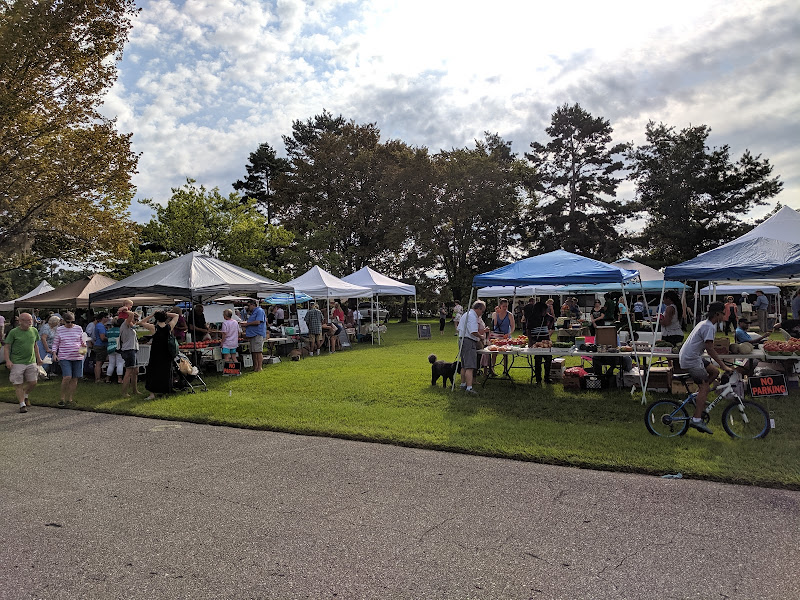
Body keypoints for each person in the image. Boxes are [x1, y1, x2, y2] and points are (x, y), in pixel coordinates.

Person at [678, 302, 733, 434]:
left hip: (691, 356)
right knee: (705, 387)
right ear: (717, 314)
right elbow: (709, 348)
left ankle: (698, 399)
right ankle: (696, 419)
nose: (725, 315)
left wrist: (719, 366)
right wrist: (723, 365)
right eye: (723, 313)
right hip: (691, 359)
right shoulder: (709, 327)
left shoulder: (704, 323)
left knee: (714, 372)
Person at [4, 312, 43, 413]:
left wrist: (39, 358)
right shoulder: (13, 332)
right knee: (18, 383)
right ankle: (22, 404)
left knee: (33, 382)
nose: (30, 322)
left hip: (31, 360)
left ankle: (25, 394)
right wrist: (8, 360)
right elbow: (7, 347)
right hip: (17, 362)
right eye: (27, 320)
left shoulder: (34, 331)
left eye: (31, 320)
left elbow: (35, 345)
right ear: (20, 321)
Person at [52, 311, 86, 408]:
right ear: (63, 321)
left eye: (72, 322)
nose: (70, 324)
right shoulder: (60, 330)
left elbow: (82, 341)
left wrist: (83, 350)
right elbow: (56, 343)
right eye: (68, 322)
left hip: (77, 356)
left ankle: (70, 399)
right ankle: (62, 398)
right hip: (64, 356)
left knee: (75, 378)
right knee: (67, 377)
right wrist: (54, 353)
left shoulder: (78, 328)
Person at [142, 311, 179, 400]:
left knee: (152, 372)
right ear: (165, 318)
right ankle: (164, 392)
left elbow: (141, 322)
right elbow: (176, 315)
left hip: (156, 353)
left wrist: (151, 315)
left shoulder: (154, 328)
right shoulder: (169, 327)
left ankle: (152, 393)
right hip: (167, 352)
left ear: (156, 318)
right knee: (165, 372)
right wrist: (166, 313)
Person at [457, 300, 488, 394]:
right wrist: (481, 336)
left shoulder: (466, 314)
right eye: (482, 311)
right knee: (470, 366)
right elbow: (473, 331)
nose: (481, 313)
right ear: (478, 309)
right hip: (468, 341)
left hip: (461, 339)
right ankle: (469, 388)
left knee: (464, 365)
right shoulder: (472, 316)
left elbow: (459, 328)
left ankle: (463, 384)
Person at [485, 298, 515, 376]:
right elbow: (494, 324)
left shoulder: (509, 314)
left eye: (506, 306)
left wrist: (510, 333)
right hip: (496, 335)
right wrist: (496, 314)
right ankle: (492, 369)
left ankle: (505, 369)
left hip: (505, 335)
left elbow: (512, 326)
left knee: (505, 353)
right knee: (494, 353)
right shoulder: (495, 314)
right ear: (500, 306)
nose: (505, 308)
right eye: (503, 306)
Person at [528, 300, 554, 384]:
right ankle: (538, 379)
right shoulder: (531, 318)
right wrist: (530, 341)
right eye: (544, 310)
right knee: (538, 360)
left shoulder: (547, 317)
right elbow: (528, 330)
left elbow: (552, 321)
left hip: (546, 341)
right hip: (536, 342)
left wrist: (549, 334)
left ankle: (547, 377)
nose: (545, 312)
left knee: (548, 359)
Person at [119, 311, 141, 397]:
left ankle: (135, 390)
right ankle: (124, 392)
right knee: (129, 371)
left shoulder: (130, 326)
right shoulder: (126, 324)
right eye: (135, 319)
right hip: (128, 350)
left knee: (135, 371)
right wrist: (125, 309)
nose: (136, 321)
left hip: (133, 349)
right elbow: (131, 314)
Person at [242, 299, 266, 371]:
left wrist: (247, 324)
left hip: (258, 333)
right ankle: (255, 367)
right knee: (253, 351)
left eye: (249, 305)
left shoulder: (260, 311)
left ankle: (259, 367)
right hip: (252, 334)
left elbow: (258, 322)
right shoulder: (253, 312)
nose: (248, 307)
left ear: (253, 305)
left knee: (258, 351)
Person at [104, 317, 124, 383]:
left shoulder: (109, 331)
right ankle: (119, 379)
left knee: (111, 364)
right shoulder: (121, 331)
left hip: (110, 348)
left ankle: (107, 379)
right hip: (118, 348)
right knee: (120, 363)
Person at [92, 312, 110, 383]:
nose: (107, 319)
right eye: (107, 317)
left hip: (99, 345)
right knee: (99, 362)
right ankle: (97, 379)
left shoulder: (99, 325)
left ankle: (98, 377)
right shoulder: (100, 326)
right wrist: (110, 339)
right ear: (103, 318)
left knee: (100, 362)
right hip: (100, 346)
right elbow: (102, 337)